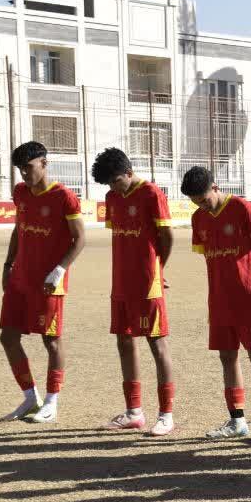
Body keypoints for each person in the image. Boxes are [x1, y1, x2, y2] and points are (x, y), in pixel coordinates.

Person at [182, 166, 251, 444]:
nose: (202, 206)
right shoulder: (198, 218)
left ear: (215, 187)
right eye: (196, 202)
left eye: (204, 200)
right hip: (219, 299)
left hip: (248, 298)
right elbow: (209, 257)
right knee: (227, 357)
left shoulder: (242, 209)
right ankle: (237, 421)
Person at [91, 148, 176, 437]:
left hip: (147, 282)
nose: (113, 188)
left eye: (116, 181)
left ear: (129, 172)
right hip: (121, 281)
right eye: (109, 184)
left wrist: (159, 269)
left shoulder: (152, 194)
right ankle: (134, 412)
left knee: (157, 344)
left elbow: (167, 236)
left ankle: (166, 415)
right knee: (124, 340)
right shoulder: (112, 198)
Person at [0, 141, 85, 424]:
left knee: (51, 340)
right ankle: (30, 398)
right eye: (20, 169)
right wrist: (8, 265)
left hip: (48, 281)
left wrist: (59, 270)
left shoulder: (64, 197)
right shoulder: (20, 193)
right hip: (20, 278)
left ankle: (51, 402)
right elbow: (18, 229)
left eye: (29, 167)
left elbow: (80, 239)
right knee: (8, 337)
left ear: (44, 164)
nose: (24, 173)